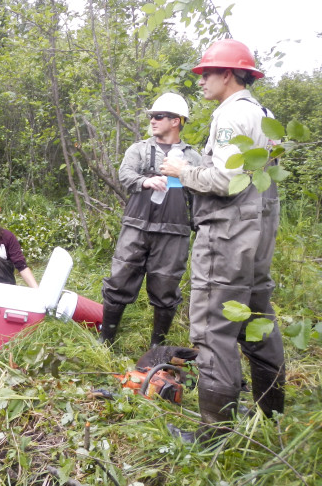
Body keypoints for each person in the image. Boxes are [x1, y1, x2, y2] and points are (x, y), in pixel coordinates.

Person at [161, 39, 285, 443]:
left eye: (207, 73)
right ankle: (272, 418)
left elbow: (227, 181)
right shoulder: (264, 115)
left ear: (228, 74)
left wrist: (183, 169)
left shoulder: (231, 116)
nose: (201, 81)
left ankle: (213, 436)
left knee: (214, 330)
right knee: (257, 321)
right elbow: (248, 178)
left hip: (227, 239)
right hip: (258, 238)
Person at [100, 93, 201, 347]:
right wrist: (144, 181)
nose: (152, 121)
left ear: (176, 121)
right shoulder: (141, 149)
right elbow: (125, 174)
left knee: (166, 288)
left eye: (158, 116)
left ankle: (157, 347)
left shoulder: (193, 157)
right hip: (136, 226)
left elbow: (202, 193)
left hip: (174, 232)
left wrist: (201, 226)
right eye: (151, 117)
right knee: (119, 281)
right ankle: (107, 339)